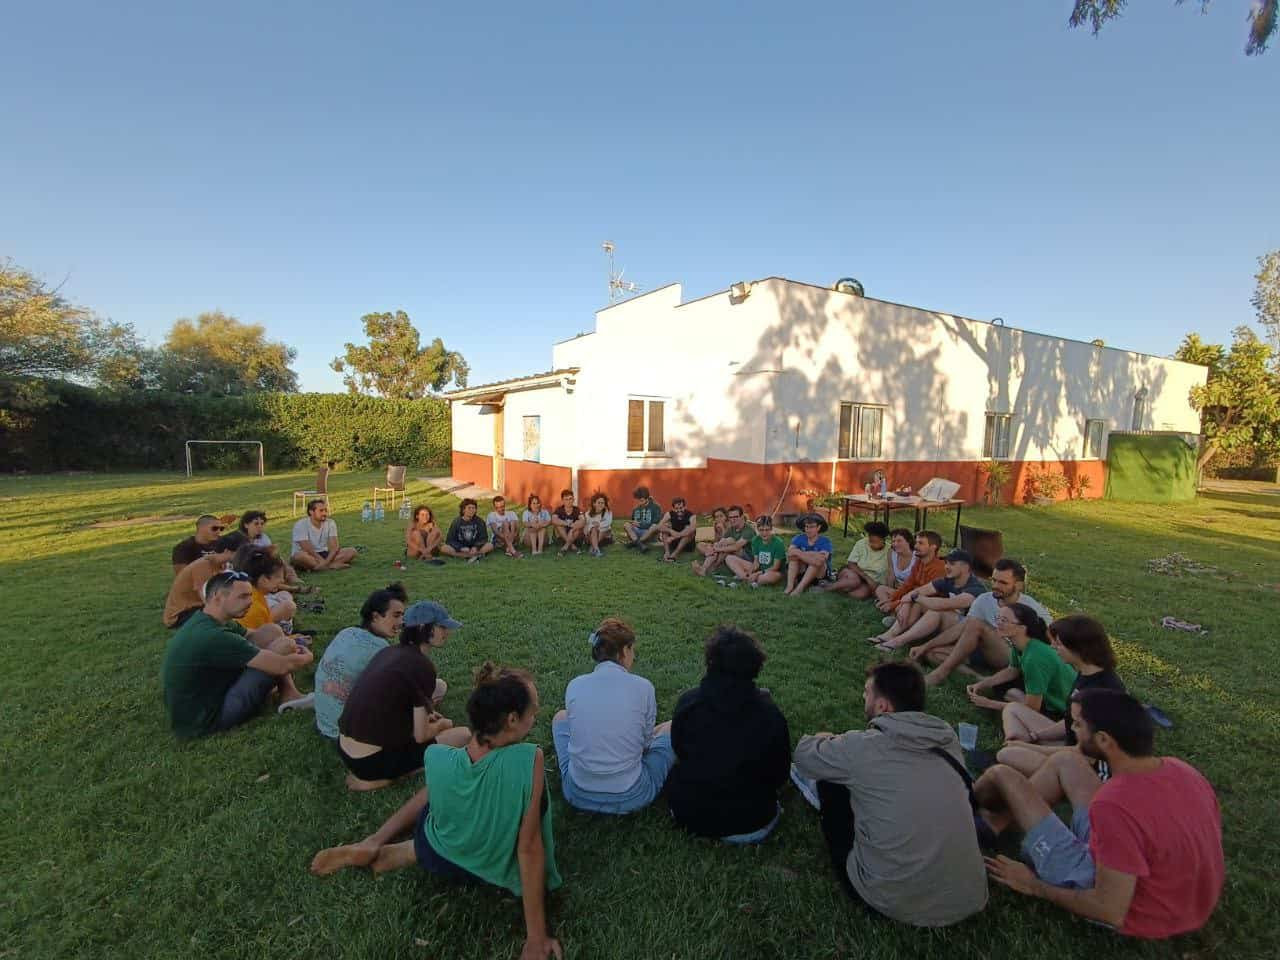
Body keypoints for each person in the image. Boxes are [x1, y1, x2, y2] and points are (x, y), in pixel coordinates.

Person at [309, 663, 564, 960]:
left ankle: (379, 844)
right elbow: (530, 849)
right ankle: (398, 849)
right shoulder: (528, 759)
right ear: (511, 719)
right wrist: (536, 938)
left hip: (440, 853)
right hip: (494, 867)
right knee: (475, 797)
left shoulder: (438, 757)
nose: (537, 715)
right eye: (533, 710)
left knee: (438, 791)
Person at [977, 690, 1224, 940]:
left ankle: (968, 805)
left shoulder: (1114, 805)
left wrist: (1034, 886)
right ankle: (991, 824)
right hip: (1184, 902)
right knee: (1066, 761)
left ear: (1104, 740)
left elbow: (1109, 910)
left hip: (1136, 909)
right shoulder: (1183, 770)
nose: (1072, 729)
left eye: (1078, 724)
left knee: (1002, 775)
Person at [790, 662, 988, 926]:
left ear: (883, 706)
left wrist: (826, 737)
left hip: (891, 899)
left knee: (831, 779)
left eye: (866, 691)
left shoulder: (861, 748)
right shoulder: (946, 738)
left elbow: (803, 756)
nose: (863, 697)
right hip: (968, 898)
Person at [667, 625, 790, 843]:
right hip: (751, 823)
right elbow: (779, 774)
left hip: (688, 814)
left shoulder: (689, 703)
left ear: (710, 663)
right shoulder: (770, 715)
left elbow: (678, 749)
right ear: (756, 666)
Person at [336, 600, 471, 790]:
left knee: (434, 719)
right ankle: (382, 777)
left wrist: (427, 717)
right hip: (369, 762)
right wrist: (442, 725)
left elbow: (397, 703)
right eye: (442, 627)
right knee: (462, 735)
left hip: (344, 748)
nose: (447, 632)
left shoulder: (389, 652)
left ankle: (375, 771)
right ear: (425, 628)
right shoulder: (422, 666)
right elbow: (421, 735)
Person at [161, 570, 315, 738]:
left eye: (250, 595)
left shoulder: (209, 619)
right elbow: (281, 665)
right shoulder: (213, 636)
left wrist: (282, 641)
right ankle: (288, 694)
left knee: (272, 630)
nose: (249, 601)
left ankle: (288, 693)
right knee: (283, 648)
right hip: (210, 719)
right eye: (242, 596)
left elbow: (255, 635)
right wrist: (307, 656)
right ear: (217, 597)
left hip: (211, 696)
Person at [551, 618, 675, 814]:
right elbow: (645, 746)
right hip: (631, 795)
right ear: (624, 651)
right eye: (632, 650)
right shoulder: (643, 687)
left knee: (560, 717)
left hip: (577, 793)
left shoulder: (575, 684)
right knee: (671, 728)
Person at [996, 615, 1126, 777]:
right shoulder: (1086, 672)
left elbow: (1085, 753)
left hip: (1082, 765)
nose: (1052, 647)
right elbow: (1069, 722)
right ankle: (1015, 743)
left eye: (1058, 643)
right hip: (1068, 744)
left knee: (1007, 755)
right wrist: (1035, 736)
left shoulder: (1102, 692)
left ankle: (1017, 751)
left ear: (1078, 648)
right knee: (1013, 708)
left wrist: (1030, 747)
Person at [916, 558, 1051, 686]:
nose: (996, 586)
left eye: (1003, 583)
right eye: (994, 580)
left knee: (976, 624)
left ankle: (940, 674)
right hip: (984, 650)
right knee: (933, 654)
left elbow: (1050, 643)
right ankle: (979, 678)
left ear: (1019, 585)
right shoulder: (984, 599)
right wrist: (926, 646)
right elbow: (961, 628)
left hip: (1012, 656)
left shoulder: (1032, 608)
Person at [313, 583, 409, 740]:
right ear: (376, 616)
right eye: (396, 615)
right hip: (349, 734)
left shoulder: (346, 632)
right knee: (437, 687)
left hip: (325, 723)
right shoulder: (380, 649)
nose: (401, 622)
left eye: (402, 615)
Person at [966, 603, 1077, 727]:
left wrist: (988, 703)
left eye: (1004, 620)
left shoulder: (1034, 657)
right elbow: (1012, 670)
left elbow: (1032, 707)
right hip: (1046, 695)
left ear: (1022, 628)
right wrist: (982, 684)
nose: (998, 623)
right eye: (998, 618)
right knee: (1000, 685)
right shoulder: (1020, 644)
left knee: (1013, 696)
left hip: (1060, 711)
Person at [869, 548, 988, 651]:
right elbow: (916, 592)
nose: (946, 567)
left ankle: (898, 641)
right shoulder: (948, 580)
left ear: (965, 566)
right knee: (917, 603)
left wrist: (915, 597)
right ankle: (891, 634)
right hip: (949, 623)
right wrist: (907, 603)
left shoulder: (975, 588)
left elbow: (944, 604)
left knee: (935, 610)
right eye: (946, 563)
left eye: (951, 564)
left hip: (969, 632)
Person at [163, 531, 247, 628]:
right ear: (227, 551)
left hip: (198, 607)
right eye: (241, 553)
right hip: (180, 615)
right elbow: (208, 601)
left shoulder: (222, 565)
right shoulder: (203, 567)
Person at [873, 530, 945, 629]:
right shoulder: (920, 561)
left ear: (933, 547)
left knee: (906, 605)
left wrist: (894, 604)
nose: (916, 546)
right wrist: (890, 600)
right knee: (881, 589)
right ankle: (896, 617)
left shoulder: (939, 567)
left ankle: (900, 623)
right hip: (912, 595)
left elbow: (924, 594)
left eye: (920, 543)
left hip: (927, 602)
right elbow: (907, 585)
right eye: (916, 542)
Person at [232, 545, 298, 632]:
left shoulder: (257, 595)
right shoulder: (255, 605)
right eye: (277, 576)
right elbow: (264, 638)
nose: (282, 580)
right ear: (264, 579)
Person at [238, 509, 305, 591]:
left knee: (278, 558)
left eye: (262, 524)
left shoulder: (263, 537)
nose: (260, 526)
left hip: (263, 566)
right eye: (256, 524)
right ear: (246, 525)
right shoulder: (238, 539)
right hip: (246, 569)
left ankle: (291, 576)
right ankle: (292, 588)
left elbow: (271, 554)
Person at [820, 521, 891, 598]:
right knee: (854, 581)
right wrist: (867, 578)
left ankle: (841, 587)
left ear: (883, 540)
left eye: (875, 542)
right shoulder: (861, 543)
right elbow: (851, 563)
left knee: (861, 594)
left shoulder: (889, 550)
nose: (871, 544)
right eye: (870, 541)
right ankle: (827, 588)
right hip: (853, 573)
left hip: (870, 581)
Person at [291, 499, 357, 572]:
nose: (324, 513)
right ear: (311, 512)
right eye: (321, 511)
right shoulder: (300, 525)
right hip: (307, 554)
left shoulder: (330, 523)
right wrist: (323, 561)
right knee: (299, 557)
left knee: (351, 551)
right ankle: (331, 566)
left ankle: (317, 567)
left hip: (324, 553)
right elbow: (307, 548)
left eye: (326, 510)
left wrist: (326, 562)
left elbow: (334, 547)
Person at [692, 505, 754, 577]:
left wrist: (716, 548)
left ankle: (713, 567)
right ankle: (703, 568)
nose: (733, 519)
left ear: (742, 517)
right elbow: (721, 541)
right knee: (722, 542)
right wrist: (714, 547)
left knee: (729, 541)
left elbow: (736, 547)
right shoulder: (732, 528)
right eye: (731, 517)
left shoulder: (748, 530)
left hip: (748, 558)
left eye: (736, 517)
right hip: (731, 553)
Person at [725, 515, 786, 587]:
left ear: (771, 529)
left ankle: (745, 579)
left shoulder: (778, 543)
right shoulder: (755, 540)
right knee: (729, 558)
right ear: (757, 529)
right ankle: (746, 577)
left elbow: (775, 567)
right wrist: (750, 572)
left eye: (767, 530)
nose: (764, 533)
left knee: (765, 578)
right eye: (761, 530)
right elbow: (756, 562)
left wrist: (757, 573)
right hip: (760, 569)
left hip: (773, 572)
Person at [784, 513, 834, 596]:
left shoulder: (825, 541)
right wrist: (812, 555)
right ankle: (789, 586)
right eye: (806, 527)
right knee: (793, 559)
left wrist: (799, 553)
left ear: (818, 527)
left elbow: (821, 559)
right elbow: (790, 553)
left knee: (816, 562)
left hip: (819, 574)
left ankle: (799, 589)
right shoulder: (798, 538)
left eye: (811, 527)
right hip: (801, 570)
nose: (808, 530)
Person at [872, 528, 918, 606]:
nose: (895, 544)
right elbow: (891, 575)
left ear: (908, 541)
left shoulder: (917, 557)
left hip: (911, 591)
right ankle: (890, 603)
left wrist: (902, 588)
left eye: (899, 541)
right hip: (897, 590)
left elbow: (918, 582)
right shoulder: (891, 553)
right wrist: (891, 592)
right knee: (880, 589)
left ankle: (888, 604)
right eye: (893, 541)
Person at [654, 496, 697, 562]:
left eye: (681, 508)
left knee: (689, 531)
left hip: (687, 544)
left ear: (685, 507)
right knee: (665, 528)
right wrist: (671, 531)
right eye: (676, 508)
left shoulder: (691, 515)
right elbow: (658, 526)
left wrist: (675, 537)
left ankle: (674, 555)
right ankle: (667, 553)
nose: (679, 510)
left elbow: (693, 528)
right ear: (673, 508)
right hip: (674, 543)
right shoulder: (669, 514)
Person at [621, 486, 663, 551]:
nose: (639, 502)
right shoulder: (636, 509)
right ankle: (640, 544)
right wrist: (632, 523)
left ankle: (635, 542)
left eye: (641, 500)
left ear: (647, 498)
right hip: (637, 532)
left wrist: (641, 525)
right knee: (626, 524)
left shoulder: (656, 507)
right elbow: (633, 521)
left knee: (654, 526)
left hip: (649, 533)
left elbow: (656, 523)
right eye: (638, 500)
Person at [550, 488, 584, 555]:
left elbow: (583, 521)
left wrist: (572, 529)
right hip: (562, 536)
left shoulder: (577, 509)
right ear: (562, 500)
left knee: (577, 527)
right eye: (566, 499)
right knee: (559, 525)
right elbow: (553, 520)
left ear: (573, 499)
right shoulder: (559, 509)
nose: (569, 501)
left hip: (574, 536)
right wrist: (566, 523)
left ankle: (565, 547)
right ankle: (572, 546)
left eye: (570, 498)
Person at [582, 492, 614, 557]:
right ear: (594, 504)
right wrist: (594, 526)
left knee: (603, 530)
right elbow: (586, 528)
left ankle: (593, 547)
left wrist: (597, 525)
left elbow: (607, 524)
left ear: (605, 504)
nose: (601, 504)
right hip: (590, 537)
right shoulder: (588, 514)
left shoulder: (608, 513)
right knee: (594, 529)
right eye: (598, 503)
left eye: (602, 503)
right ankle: (597, 550)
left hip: (605, 537)